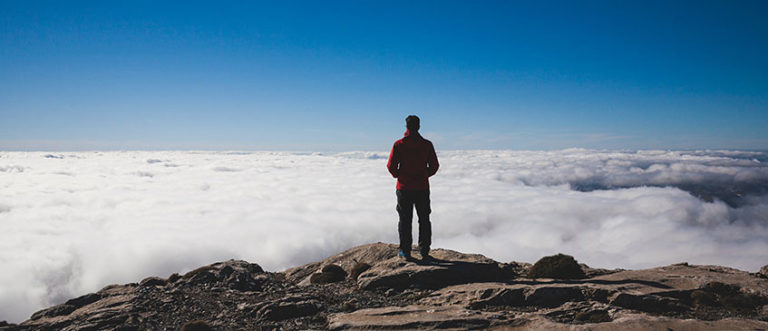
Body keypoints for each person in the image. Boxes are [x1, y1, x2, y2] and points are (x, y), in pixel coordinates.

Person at [387, 115, 439, 260]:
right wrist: (424, 175)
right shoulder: (427, 144)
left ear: (406, 126)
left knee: (405, 220)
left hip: (404, 188)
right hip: (422, 188)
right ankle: (424, 250)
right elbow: (434, 166)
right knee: (424, 219)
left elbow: (391, 166)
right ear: (419, 126)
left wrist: (399, 175)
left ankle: (405, 251)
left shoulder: (399, 144)